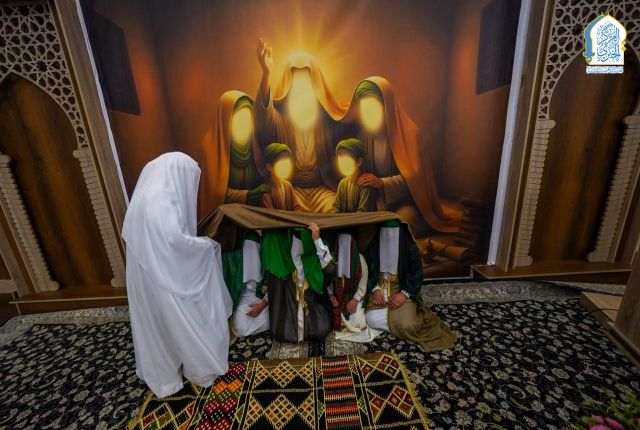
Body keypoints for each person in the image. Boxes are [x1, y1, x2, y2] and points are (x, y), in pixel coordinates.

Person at [122, 152, 232, 398]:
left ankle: (166, 372)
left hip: (149, 272)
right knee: (181, 317)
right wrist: (206, 246)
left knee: (158, 324)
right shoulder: (160, 201)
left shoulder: (144, 198)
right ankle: (200, 367)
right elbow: (174, 242)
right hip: (166, 275)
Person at [340, 77, 461, 235]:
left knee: (401, 224)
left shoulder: (410, 134)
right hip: (377, 200)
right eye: (364, 110)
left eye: (373, 108)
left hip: (405, 201)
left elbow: (415, 181)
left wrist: (382, 183)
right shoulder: (364, 137)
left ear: (386, 106)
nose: (369, 115)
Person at [253, 38, 348, 213]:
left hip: (322, 189)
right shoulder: (282, 120)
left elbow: (346, 121)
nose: (301, 91)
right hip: (291, 190)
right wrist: (266, 74)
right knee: (289, 215)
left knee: (334, 212)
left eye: (306, 85)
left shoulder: (325, 119)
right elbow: (264, 118)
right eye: (296, 85)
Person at [364, 219, 456, 351]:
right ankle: (398, 323)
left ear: (400, 234)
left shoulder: (410, 250)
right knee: (371, 319)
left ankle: (401, 322)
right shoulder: (373, 248)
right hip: (380, 293)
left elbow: (416, 277)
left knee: (409, 326)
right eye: (386, 234)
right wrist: (375, 290)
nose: (389, 237)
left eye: (393, 234)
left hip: (400, 292)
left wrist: (403, 294)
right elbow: (367, 272)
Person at [198, 91, 268, 218]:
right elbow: (214, 196)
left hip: (255, 215)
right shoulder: (210, 149)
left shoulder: (254, 145)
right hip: (226, 218)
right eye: (239, 120)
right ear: (226, 120)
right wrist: (248, 194)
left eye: (248, 120)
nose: (244, 126)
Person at [260, 223, 334, 343]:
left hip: (313, 306)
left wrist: (317, 241)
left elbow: (330, 269)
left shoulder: (315, 254)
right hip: (288, 307)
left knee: (321, 329)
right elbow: (275, 289)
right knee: (282, 332)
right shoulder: (283, 261)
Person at [329, 229, 381, 343]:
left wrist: (355, 300)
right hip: (335, 301)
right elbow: (327, 281)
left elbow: (363, 283)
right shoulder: (332, 259)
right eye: (341, 243)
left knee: (359, 322)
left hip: (353, 298)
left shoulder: (360, 259)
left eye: (347, 243)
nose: (344, 247)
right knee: (328, 318)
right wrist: (331, 296)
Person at [222, 231, 269, 338]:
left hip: (263, 300)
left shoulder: (266, 257)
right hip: (242, 300)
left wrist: (262, 305)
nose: (251, 254)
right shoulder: (234, 260)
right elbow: (232, 292)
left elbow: (275, 288)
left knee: (274, 318)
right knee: (241, 328)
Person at [332, 138, 376, 213]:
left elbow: (363, 211)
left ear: (359, 161)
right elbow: (336, 207)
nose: (343, 164)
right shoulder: (343, 183)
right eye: (340, 160)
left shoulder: (365, 184)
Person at [259, 143, 301, 211]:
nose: (286, 167)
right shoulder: (265, 190)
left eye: (287, 163)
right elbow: (269, 214)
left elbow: (296, 207)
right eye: (282, 163)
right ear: (269, 167)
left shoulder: (288, 185)